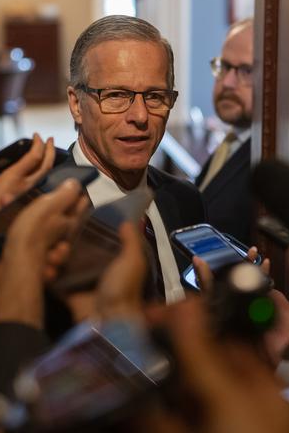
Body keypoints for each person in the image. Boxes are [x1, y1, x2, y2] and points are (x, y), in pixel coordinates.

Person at [65, 15, 205, 303]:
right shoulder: (41, 212)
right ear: (77, 105)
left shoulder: (184, 199)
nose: (140, 116)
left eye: (155, 96)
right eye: (116, 95)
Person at [195, 18, 255, 244]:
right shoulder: (233, 140)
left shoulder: (269, 155)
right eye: (225, 67)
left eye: (246, 71)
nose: (228, 82)